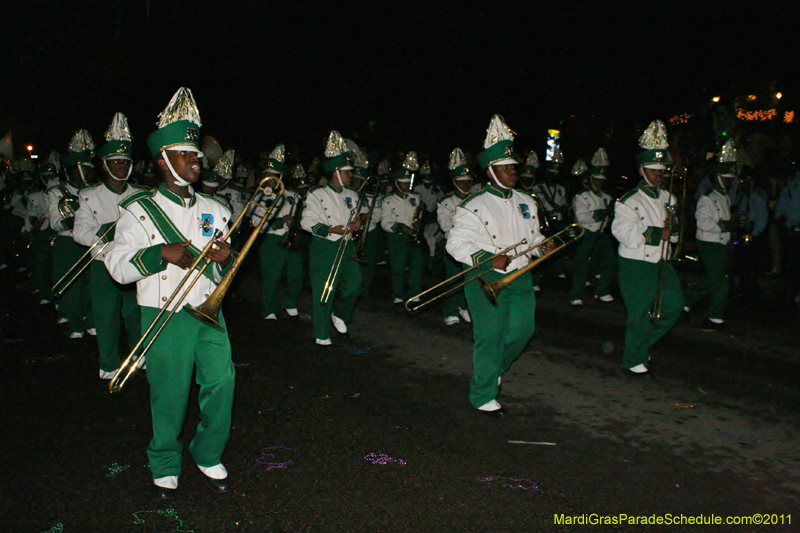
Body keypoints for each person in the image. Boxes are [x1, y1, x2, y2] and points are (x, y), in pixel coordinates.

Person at [105, 88, 234, 500]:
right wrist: (158, 253)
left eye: (196, 154)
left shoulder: (218, 209)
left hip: (208, 310)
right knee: (170, 393)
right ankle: (164, 460)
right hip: (163, 312)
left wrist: (225, 258)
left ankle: (206, 451)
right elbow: (117, 266)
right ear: (163, 160)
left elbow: (224, 267)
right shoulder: (138, 209)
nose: (197, 160)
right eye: (185, 154)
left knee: (223, 382)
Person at [447, 115, 554, 415]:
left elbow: (531, 236)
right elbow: (454, 245)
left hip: (520, 275)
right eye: (506, 168)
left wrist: (542, 245)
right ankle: (482, 396)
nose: (512, 172)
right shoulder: (473, 205)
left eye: (513, 167)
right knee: (489, 338)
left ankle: (494, 369)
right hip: (484, 277)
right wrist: (486, 258)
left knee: (523, 331)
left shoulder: (526, 201)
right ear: (490, 171)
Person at [73, 113, 146, 379]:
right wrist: (101, 234)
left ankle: (139, 355)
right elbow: (79, 231)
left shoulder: (140, 195)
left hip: (133, 261)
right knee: (106, 316)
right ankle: (108, 362)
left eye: (125, 162)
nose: (121, 167)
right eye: (115, 162)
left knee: (136, 312)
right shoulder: (88, 195)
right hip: (102, 262)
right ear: (104, 165)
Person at [611, 120, 684, 376]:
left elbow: (673, 235)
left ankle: (642, 344)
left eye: (661, 170)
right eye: (653, 170)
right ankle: (633, 359)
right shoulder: (629, 200)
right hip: (636, 263)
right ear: (642, 170)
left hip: (661, 261)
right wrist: (656, 234)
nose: (658, 174)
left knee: (675, 305)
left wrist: (673, 228)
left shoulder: (669, 198)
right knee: (639, 314)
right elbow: (623, 233)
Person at [300, 131, 362, 346]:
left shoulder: (353, 195)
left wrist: (358, 224)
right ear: (336, 172)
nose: (351, 175)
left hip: (346, 245)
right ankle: (322, 334)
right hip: (324, 245)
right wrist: (328, 230)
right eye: (348, 172)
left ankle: (341, 314)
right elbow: (306, 221)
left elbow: (355, 218)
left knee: (355, 283)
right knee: (324, 290)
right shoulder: (316, 193)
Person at [47, 129, 96, 338]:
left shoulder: (94, 191)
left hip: (91, 242)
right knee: (72, 287)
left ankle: (91, 319)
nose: (89, 171)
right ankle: (75, 324)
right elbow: (55, 224)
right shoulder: (57, 192)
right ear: (74, 170)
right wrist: (78, 218)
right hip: (68, 243)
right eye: (85, 168)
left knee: (93, 283)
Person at [684, 141, 736, 330]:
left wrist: (727, 235)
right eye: (727, 178)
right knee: (720, 281)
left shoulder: (725, 197)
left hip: (720, 244)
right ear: (718, 177)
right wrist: (721, 227)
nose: (730, 182)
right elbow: (702, 222)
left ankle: (685, 302)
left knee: (714, 280)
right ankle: (713, 316)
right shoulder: (708, 197)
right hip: (709, 243)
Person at [253, 144, 304, 320]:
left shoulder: (293, 195)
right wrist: (279, 222)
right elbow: (255, 220)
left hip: (290, 239)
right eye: (267, 176)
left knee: (296, 274)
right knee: (271, 277)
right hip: (270, 241)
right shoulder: (260, 195)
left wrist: (296, 223)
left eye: (273, 177)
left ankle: (290, 303)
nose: (269, 180)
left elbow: (301, 216)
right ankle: (268, 309)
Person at [569, 151, 616, 306]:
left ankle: (602, 291)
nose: (599, 183)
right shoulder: (582, 196)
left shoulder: (607, 197)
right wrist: (603, 213)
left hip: (601, 234)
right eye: (596, 179)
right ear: (591, 180)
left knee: (610, 261)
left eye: (602, 180)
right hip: (586, 233)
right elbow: (582, 217)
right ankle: (576, 295)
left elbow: (609, 218)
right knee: (582, 264)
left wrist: (610, 214)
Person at [381, 151, 427, 305]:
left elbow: (419, 214)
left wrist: (418, 223)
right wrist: (402, 227)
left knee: (417, 264)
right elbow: (385, 222)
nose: (406, 186)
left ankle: (415, 293)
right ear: (396, 184)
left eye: (408, 183)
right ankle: (398, 294)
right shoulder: (388, 200)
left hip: (413, 235)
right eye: (403, 183)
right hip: (397, 237)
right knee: (398, 267)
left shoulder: (416, 197)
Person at [437, 147, 474, 326]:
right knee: (453, 280)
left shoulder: (476, 200)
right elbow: (445, 225)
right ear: (455, 182)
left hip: (473, 245)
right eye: (462, 182)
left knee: (469, 279)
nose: (466, 185)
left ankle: (463, 306)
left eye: (468, 182)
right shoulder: (446, 202)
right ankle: (450, 311)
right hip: (454, 245)